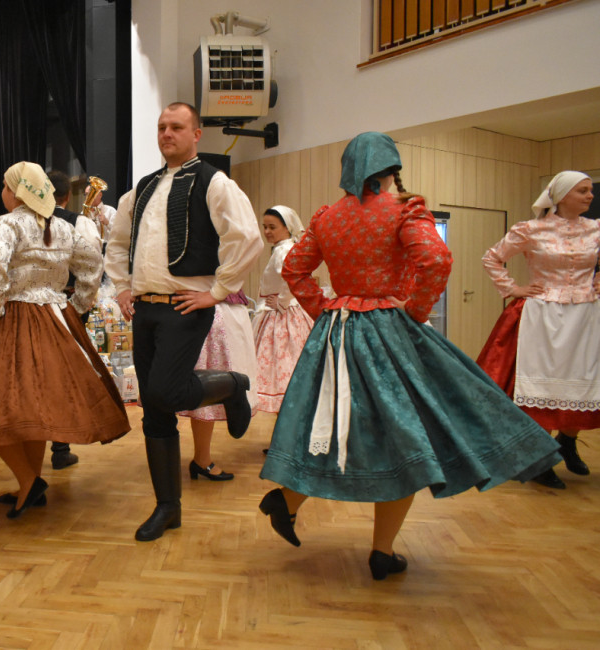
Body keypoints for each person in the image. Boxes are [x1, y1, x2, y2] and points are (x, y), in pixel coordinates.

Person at [257, 132, 560, 580]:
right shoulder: (404, 210)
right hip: (390, 334)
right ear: (391, 169)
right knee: (405, 437)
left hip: (337, 335)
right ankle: (380, 551)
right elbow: (436, 259)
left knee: (334, 423)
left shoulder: (327, 217)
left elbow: (294, 269)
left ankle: (287, 501)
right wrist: (415, 309)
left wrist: (325, 309)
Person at [104, 102, 263, 542]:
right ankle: (167, 508)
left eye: (176, 127)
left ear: (196, 134)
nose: (166, 134)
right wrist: (122, 287)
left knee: (162, 391)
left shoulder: (214, 182)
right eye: (161, 127)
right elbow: (118, 242)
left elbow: (246, 236)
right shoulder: (141, 189)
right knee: (155, 411)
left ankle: (231, 385)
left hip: (185, 306)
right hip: (144, 308)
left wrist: (217, 290)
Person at [0, 161, 130, 519]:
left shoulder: (4, 223)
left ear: (16, 191)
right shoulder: (63, 227)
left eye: (6, 186)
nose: (3, 192)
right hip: (56, 319)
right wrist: (77, 306)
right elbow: (93, 264)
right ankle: (28, 484)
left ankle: (29, 481)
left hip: (12, 318)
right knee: (34, 407)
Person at [477, 171, 599, 490]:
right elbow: (492, 258)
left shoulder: (596, 229)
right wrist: (513, 288)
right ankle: (538, 458)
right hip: (543, 315)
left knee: (581, 383)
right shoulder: (531, 230)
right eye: (583, 191)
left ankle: (567, 443)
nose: (590, 195)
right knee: (540, 386)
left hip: (585, 316)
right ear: (561, 196)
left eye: (590, 190)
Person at [46, 169, 103, 470]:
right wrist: (79, 306)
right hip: (65, 303)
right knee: (63, 372)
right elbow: (92, 266)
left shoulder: (18, 221)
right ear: (68, 196)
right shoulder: (78, 222)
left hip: (26, 307)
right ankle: (60, 446)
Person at [176, 289, 258, 481]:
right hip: (203, 307)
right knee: (200, 382)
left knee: (208, 382)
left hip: (216, 307)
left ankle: (201, 457)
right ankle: (199, 458)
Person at [252, 205, 313, 414]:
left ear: (287, 227)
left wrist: (282, 301)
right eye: (265, 227)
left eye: (272, 227)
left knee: (282, 366)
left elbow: (291, 278)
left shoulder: (283, 250)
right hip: (286, 311)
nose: (267, 231)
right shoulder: (285, 247)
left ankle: (287, 426)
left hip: (282, 315)